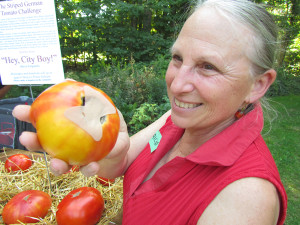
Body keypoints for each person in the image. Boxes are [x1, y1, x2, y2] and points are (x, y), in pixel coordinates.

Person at [13, 0, 287, 224]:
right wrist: (111, 147)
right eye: (177, 58)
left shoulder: (246, 197)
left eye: (208, 67)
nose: (177, 85)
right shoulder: (178, 120)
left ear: (258, 84)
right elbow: (118, 167)